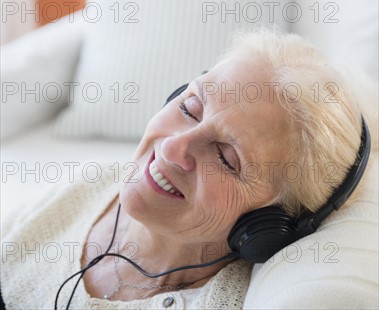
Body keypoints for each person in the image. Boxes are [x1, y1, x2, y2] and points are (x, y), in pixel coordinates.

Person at [1, 28, 377, 309]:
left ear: (266, 228)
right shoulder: (94, 182)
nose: (172, 147)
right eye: (189, 108)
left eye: (227, 158)